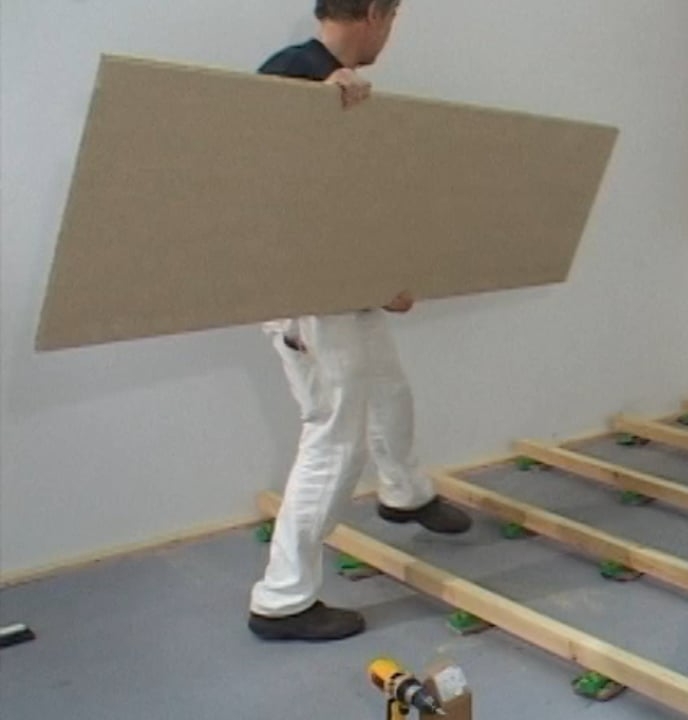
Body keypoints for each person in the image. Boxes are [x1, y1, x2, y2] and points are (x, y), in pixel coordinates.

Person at [247, 0, 472, 643]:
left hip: (341, 288)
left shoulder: (340, 89)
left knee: (390, 391)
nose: (390, 34)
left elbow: (341, 204)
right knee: (333, 440)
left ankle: (405, 494)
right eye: (393, 17)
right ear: (374, 12)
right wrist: (314, 100)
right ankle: (282, 600)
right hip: (307, 298)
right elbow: (255, 169)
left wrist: (380, 278)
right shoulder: (294, 73)